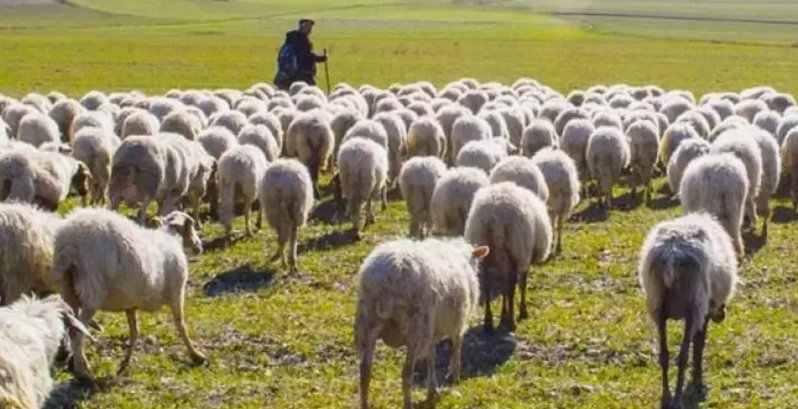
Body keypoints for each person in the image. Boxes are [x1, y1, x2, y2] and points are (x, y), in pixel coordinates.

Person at [279, 19, 327, 89]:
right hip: (303, 73)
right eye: (308, 27)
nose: (310, 30)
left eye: (310, 28)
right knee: (311, 91)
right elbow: (306, 55)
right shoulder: (302, 39)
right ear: (302, 26)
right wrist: (321, 58)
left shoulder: (293, 38)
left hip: (292, 73)